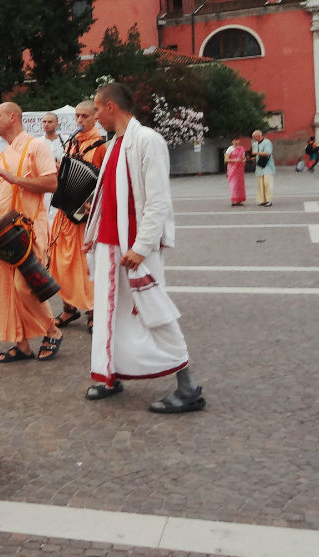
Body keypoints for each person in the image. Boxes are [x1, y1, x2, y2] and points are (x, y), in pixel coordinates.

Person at [83, 83, 205, 414]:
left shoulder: (147, 140)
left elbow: (158, 200)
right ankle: (111, 374)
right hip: (112, 247)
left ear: (111, 107)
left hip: (135, 249)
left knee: (153, 312)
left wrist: (141, 246)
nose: (95, 115)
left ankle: (188, 386)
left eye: (97, 108)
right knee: (112, 317)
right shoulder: (114, 146)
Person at [0, 102, 62, 363]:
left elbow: (51, 183)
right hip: (4, 233)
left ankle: (52, 330)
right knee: (8, 290)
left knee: (25, 286)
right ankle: (21, 346)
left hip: (29, 228)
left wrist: (15, 180)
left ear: (13, 117)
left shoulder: (36, 146)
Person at [48, 101, 107, 331]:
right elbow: (65, 175)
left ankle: (93, 310)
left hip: (86, 217)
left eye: (84, 116)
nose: (79, 120)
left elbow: (105, 183)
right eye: (77, 116)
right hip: (65, 214)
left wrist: (92, 206)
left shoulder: (102, 146)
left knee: (85, 266)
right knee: (61, 263)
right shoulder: (70, 143)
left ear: (95, 118)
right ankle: (69, 308)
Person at [250, 130, 275, 207]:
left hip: (267, 165)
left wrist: (256, 153)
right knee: (261, 184)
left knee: (267, 183)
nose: (253, 139)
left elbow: (268, 153)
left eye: (254, 137)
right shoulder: (254, 144)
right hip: (259, 166)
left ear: (259, 136)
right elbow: (254, 155)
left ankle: (268, 200)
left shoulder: (267, 142)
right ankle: (262, 200)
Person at [224, 136, 247, 206]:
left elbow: (244, 158)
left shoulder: (242, 149)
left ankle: (239, 200)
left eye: (237, 140)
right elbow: (226, 159)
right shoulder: (230, 149)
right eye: (234, 140)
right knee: (233, 184)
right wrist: (235, 160)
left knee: (240, 184)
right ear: (232, 141)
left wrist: (244, 160)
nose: (236, 142)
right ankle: (234, 200)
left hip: (240, 168)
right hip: (232, 168)